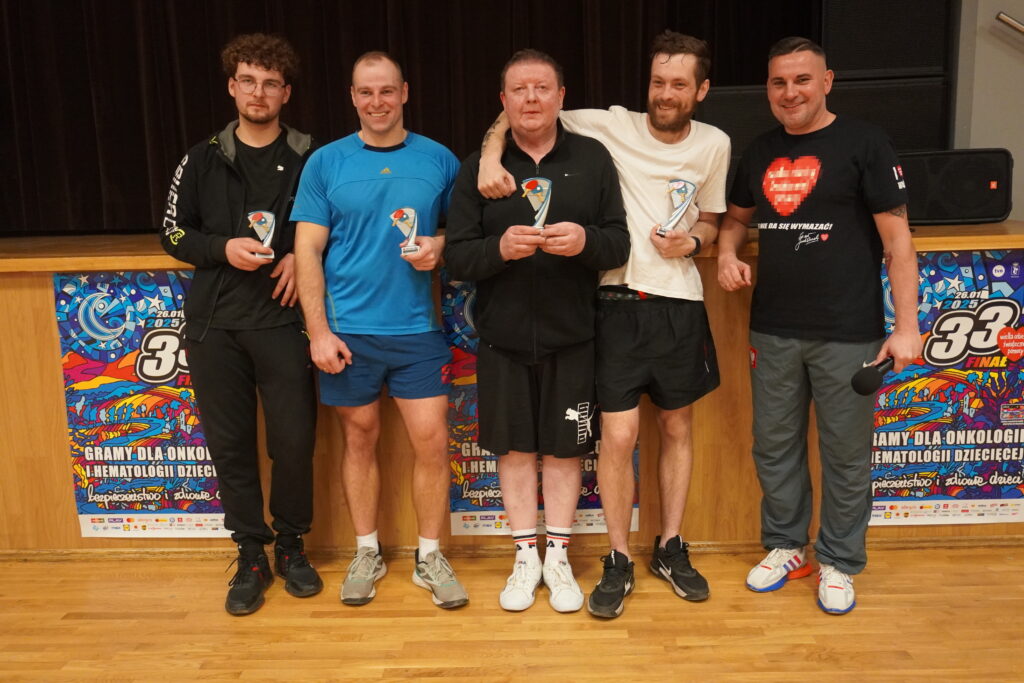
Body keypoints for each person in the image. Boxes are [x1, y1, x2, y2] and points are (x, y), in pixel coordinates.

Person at [477, 31, 729, 619]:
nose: (665, 93)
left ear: (701, 90)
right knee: (617, 437)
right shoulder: (610, 126)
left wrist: (695, 241)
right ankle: (618, 558)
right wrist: (490, 155)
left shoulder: (715, 143)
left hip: (681, 302)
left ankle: (670, 546)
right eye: (658, 82)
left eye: (679, 84)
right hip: (614, 301)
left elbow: (714, 221)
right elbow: (524, 109)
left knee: (677, 427)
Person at [716, 37, 922, 615]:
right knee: (773, 447)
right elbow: (734, 221)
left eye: (802, 79)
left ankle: (839, 561)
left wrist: (908, 326)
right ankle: (787, 547)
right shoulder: (759, 151)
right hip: (772, 329)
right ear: (768, 88)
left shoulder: (866, 143)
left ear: (827, 81)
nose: (790, 93)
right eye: (779, 82)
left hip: (849, 333)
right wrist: (728, 253)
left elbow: (899, 243)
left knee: (846, 456)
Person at [445, 49, 630, 614]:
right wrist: (499, 249)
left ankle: (559, 556)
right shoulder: (480, 169)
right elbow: (457, 256)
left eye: (542, 88)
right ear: (503, 101)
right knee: (516, 449)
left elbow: (618, 242)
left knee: (566, 450)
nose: (531, 98)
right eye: (520, 89)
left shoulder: (592, 158)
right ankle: (526, 556)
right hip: (500, 340)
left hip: (573, 337)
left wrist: (587, 242)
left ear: (561, 96)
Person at [291, 51, 467, 609]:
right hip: (348, 333)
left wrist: (440, 246)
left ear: (405, 92)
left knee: (432, 441)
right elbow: (307, 251)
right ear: (352, 97)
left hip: (418, 331)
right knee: (359, 438)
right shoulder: (325, 163)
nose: (377, 102)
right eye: (366, 92)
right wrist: (319, 332)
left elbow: (469, 234)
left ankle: (430, 557)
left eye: (387, 90)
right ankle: (366, 551)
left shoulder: (438, 159)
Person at [159, 33, 321, 616]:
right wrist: (220, 248)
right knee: (230, 447)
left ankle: (291, 545)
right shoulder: (201, 157)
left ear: (286, 93)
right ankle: (251, 552)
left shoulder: (312, 157)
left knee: (294, 444)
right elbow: (172, 232)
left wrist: (301, 255)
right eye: (248, 81)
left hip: (283, 324)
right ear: (232, 86)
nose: (259, 92)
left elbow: (340, 223)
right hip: (215, 328)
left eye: (270, 83)